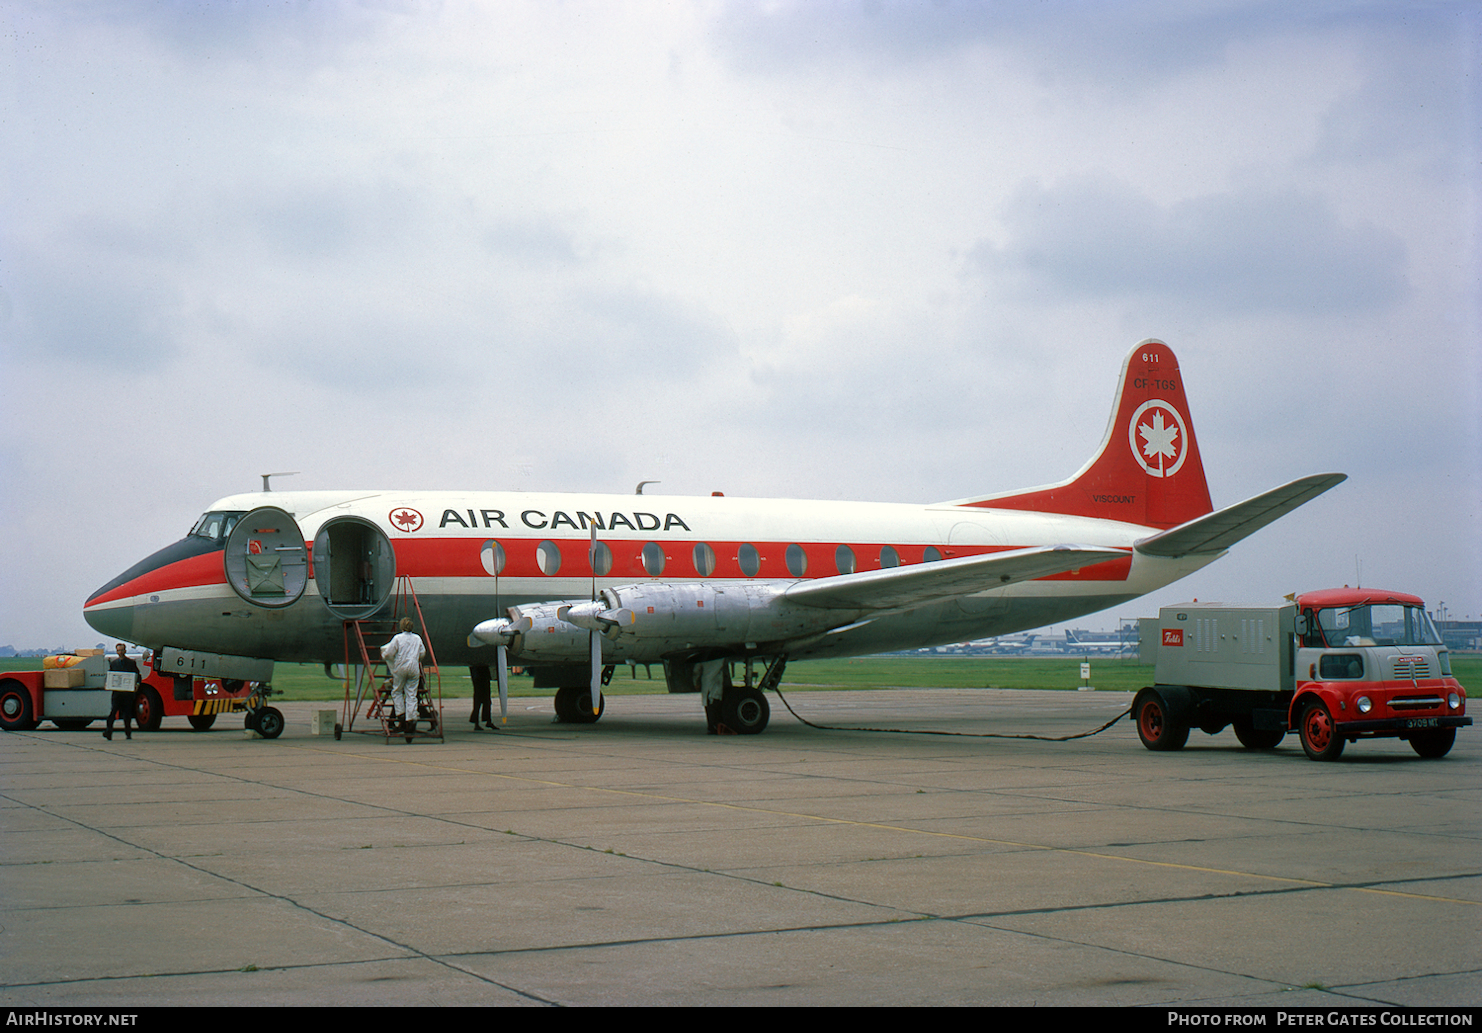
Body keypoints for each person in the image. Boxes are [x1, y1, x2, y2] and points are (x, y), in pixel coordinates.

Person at [380, 617, 426, 733]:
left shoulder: (398, 638)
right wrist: (416, 659)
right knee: (411, 694)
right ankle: (411, 719)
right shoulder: (417, 638)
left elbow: (389, 653)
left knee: (397, 691)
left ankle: (401, 714)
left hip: (401, 667)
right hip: (414, 668)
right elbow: (422, 652)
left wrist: (385, 656)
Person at [105, 643, 141, 741]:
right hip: (117, 693)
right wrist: (107, 684)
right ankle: (109, 731)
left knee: (127, 714)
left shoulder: (131, 663)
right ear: (116, 652)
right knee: (113, 712)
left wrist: (137, 684)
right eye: (118, 650)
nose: (120, 652)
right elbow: (110, 676)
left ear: (125, 651)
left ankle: (128, 733)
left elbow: (137, 675)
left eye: (122, 650)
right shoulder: (114, 663)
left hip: (127, 694)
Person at [470, 664, 494, 730]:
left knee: (487, 702)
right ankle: (477, 723)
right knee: (478, 703)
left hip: (483, 678)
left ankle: (488, 721)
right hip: (479, 679)